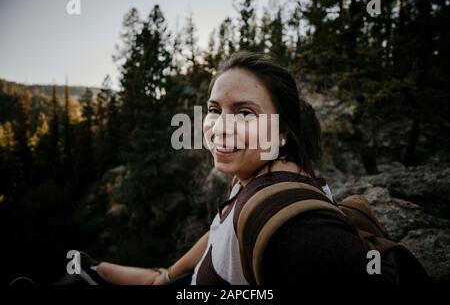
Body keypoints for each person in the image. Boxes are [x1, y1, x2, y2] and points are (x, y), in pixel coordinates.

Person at [92, 51, 373, 285]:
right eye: (215, 110)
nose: (221, 128)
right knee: (92, 270)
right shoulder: (249, 177)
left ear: (282, 132)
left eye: (245, 113)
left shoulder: (293, 225)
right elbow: (219, 232)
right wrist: (166, 277)